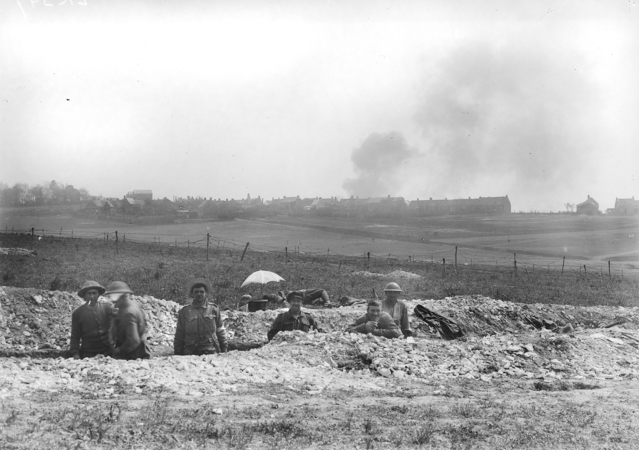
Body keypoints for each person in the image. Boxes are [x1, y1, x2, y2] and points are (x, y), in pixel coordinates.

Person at [174, 278, 228, 355]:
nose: (199, 294)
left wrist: (224, 349)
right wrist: (178, 353)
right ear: (192, 294)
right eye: (196, 292)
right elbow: (180, 334)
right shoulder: (185, 311)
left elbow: (220, 331)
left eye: (202, 292)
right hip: (191, 352)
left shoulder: (214, 309)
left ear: (206, 293)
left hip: (211, 350)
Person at [105, 281, 151, 360]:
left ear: (122, 296)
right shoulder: (133, 305)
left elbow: (133, 340)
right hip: (139, 351)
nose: (111, 300)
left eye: (113, 296)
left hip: (134, 355)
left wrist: (118, 351)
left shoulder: (128, 313)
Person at [69, 281, 113, 359]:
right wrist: (76, 355)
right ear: (84, 296)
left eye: (94, 293)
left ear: (99, 294)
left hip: (108, 353)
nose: (92, 296)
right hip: (88, 354)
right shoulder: (78, 313)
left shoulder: (108, 308)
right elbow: (75, 337)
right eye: (89, 293)